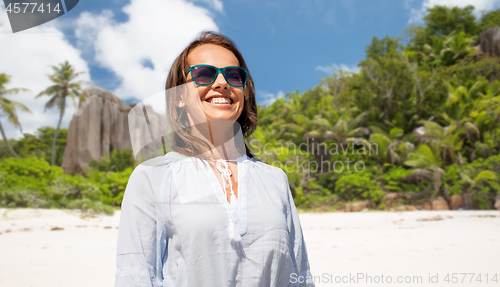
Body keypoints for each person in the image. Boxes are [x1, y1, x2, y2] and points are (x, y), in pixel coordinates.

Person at [114, 31, 314, 287]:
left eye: (234, 75)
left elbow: (299, 277)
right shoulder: (154, 176)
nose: (222, 83)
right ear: (179, 99)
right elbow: (136, 276)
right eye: (204, 74)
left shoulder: (275, 180)